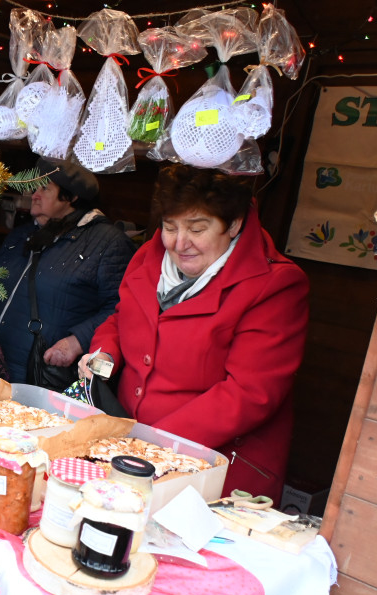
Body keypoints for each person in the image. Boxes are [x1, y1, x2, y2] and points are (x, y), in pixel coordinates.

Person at [79, 164, 309, 502]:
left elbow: (250, 393)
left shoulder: (276, 285)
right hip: (131, 449)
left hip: (213, 467)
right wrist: (105, 353)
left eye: (197, 229)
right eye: (170, 227)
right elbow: (122, 316)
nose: (179, 242)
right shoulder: (150, 255)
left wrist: (153, 444)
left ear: (233, 224)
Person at [0, 158, 135, 387]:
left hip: (41, 376)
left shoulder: (107, 242)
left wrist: (78, 340)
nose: (34, 195)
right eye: (35, 187)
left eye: (45, 189)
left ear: (72, 197)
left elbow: (121, 307)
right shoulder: (23, 235)